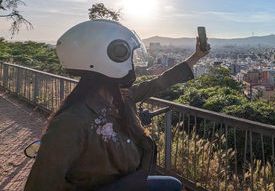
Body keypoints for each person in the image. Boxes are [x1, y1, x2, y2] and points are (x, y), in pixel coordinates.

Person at [24, 19, 210, 191]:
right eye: (126, 55)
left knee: (172, 185)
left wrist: (196, 57)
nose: (132, 65)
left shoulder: (122, 98)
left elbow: (161, 82)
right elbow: (40, 184)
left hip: (130, 181)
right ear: (108, 58)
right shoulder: (71, 122)